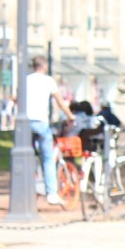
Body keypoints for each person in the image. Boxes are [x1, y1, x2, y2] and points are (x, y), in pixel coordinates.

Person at [26, 55, 75, 206]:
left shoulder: (26, 80)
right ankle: (52, 193)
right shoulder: (48, 81)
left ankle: (32, 187)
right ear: (45, 66)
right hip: (41, 121)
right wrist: (70, 116)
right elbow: (60, 102)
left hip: (25, 123)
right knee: (47, 158)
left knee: (28, 157)